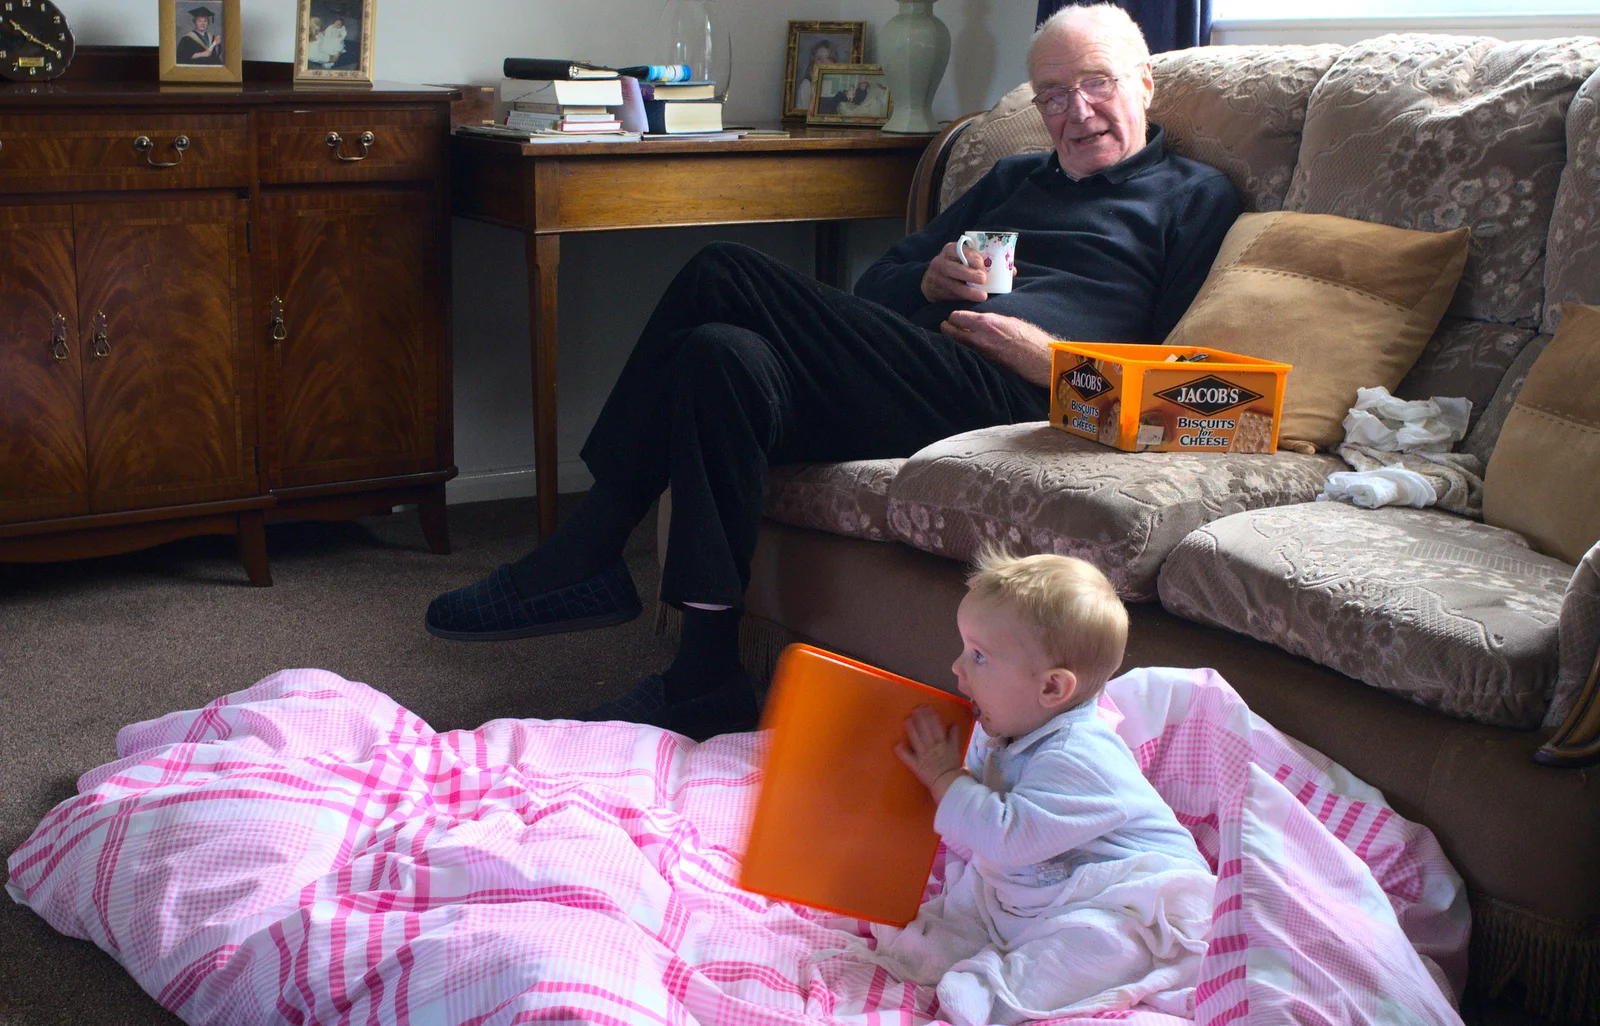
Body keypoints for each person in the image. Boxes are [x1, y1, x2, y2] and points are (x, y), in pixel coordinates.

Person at [424, 3, 1243, 740]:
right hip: (920, 367)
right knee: (721, 356)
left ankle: (591, 545)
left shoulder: (1194, 198)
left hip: (1018, 396)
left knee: (723, 270)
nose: (1076, 112)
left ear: (1144, 81)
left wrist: (1049, 358)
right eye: (1053, 95)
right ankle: (705, 678)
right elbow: (877, 286)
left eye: (1095, 85)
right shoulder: (1010, 180)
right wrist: (926, 280)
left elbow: (1182, 363)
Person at [874, 550, 1214, 1025]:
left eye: (979, 656)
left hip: (1133, 899)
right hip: (1041, 885)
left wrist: (945, 780)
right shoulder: (1006, 731)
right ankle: (949, 952)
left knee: (1099, 942)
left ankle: (1001, 995)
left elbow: (1007, 836)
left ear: (1053, 689)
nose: (957, 667)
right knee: (965, 905)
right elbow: (975, 829)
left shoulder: (1079, 754)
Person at [793, 38, 838, 112]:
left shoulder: (838, 83)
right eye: (819, 58)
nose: (824, 63)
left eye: (828, 58)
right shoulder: (807, 85)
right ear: (813, 63)